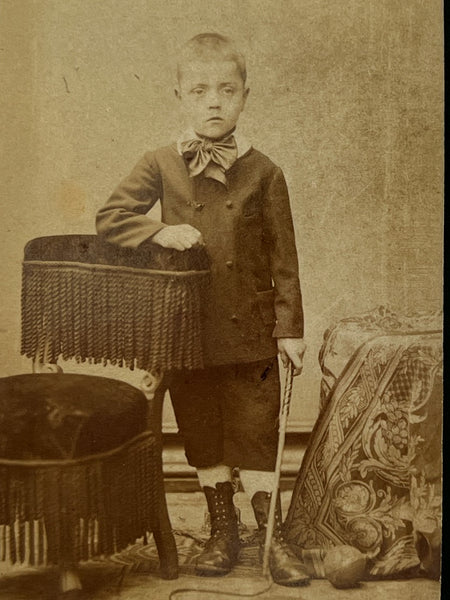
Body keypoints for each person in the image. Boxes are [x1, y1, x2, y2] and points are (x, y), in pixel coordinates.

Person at [96, 33, 309, 587]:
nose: (213, 102)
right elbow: (112, 217)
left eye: (226, 90)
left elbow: (284, 259)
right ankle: (222, 531)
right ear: (180, 97)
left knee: (258, 430)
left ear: (243, 97)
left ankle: (270, 536)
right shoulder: (160, 163)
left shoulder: (265, 172)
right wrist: (160, 230)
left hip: (252, 329)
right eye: (200, 91)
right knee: (202, 432)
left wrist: (290, 330)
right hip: (186, 331)